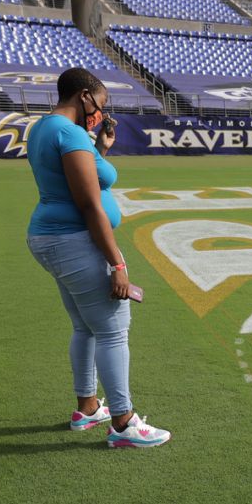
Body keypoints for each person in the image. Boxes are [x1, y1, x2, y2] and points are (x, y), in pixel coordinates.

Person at [24, 68, 170, 448]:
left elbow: (76, 176)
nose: (101, 113)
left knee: (85, 327)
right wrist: (118, 264)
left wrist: (101, 148)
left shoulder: (45, 128)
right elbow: (89, 204)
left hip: (52, 237)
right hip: (74, 239)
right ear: (84, 96)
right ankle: (123, 424)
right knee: (112, 329)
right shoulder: (69, 134)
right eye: (100, 104)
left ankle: (88, 408)